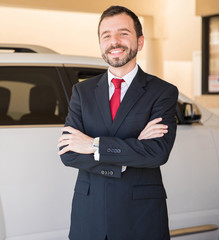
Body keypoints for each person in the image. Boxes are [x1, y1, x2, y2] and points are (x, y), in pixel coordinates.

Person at [57, 5, 178, 240]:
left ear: (140, 42)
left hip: (141, 218)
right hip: (89, 217)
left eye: (123, 33)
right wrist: (127, 156)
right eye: (106, 35)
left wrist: (94, 145)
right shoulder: (82, 92)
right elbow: (68, 153)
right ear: (101, 44)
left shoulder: (162, 92)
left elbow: (157, 153)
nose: (115, 42)